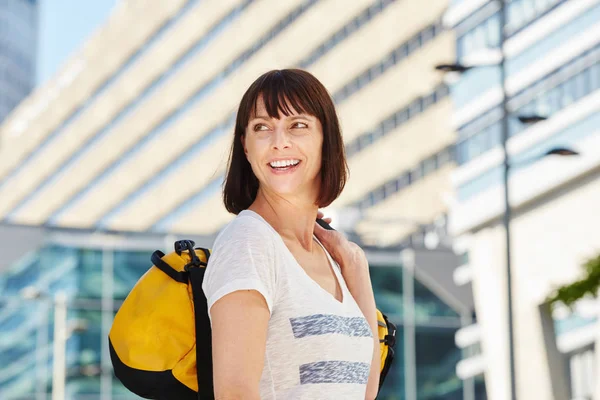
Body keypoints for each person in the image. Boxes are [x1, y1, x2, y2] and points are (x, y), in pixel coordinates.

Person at [202, 69, 380, 400]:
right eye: (262, 128)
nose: (279, 141)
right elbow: (234, 393)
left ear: (326, 137)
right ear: (245, 146)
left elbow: (364, 392)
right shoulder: (249, 243)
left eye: (297, 125)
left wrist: (356, 267)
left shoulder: (334, 259)